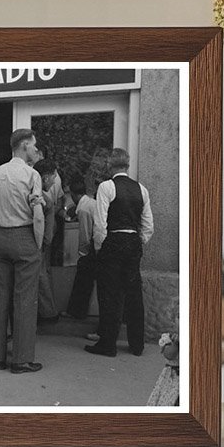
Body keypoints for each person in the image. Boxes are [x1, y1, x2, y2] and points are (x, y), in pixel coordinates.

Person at [0, 129, 44, 374]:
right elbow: (38, 215)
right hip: (24, 235)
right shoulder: (31, 175)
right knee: (25, 300)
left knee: (1, 296)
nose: (35, 150)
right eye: (33, 145)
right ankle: (21, 359)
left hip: (0, 237)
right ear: (24, 145)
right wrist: (37, 244)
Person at [84, 148, 154, 358]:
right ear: (127, 165)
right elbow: (148, 225)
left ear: (110, 166)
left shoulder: (107, 187)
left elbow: (100, 222)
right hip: (133, 241)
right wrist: (137, 240)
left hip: (113, 242)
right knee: (133, 294)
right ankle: (136, 344)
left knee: (110, 294)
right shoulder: (141, 189)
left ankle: (108, 344)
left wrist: (100, 246)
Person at [65, 175, 97, 320]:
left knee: (83, 281)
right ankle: (78, 311)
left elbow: (85, 233)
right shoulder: (91, 203)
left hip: (91, 249)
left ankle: (76, 311)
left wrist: (82, 253)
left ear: (72, 194)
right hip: (97, 246)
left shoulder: (83, 209)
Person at [34, 158, 60, 323]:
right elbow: (48, 234)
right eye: (53, 177)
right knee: (41, 276)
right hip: (38, 244)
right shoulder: (46, 201)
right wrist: (44, 243)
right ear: (45, 178)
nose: (54, 181)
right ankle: (48, 312)